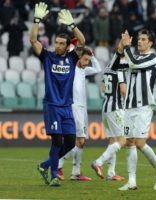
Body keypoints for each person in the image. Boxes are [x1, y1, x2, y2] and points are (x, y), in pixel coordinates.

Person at [30, 2, 85, 186]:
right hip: (52, 105)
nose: (58, 46)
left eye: (62, 43)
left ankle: (45, 165)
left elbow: (83, 42)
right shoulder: (48, 57)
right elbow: (33, 41)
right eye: (57, 43)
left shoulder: (72, 58)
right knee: (57, 141)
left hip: (66, 106)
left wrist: (72, 25)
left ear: (68, 46)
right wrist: (37, 20)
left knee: (70, 143)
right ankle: (54, 175)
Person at [111, 29, 156, 191]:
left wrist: (127, 47)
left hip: (144, 105)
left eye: (143, 39)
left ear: (150, 43)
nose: (140, 41)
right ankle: (132, 181)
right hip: (129, 104)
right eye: (139, 39)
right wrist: (121, 47)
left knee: (140, 143)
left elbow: (134, 63)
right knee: (130, 142)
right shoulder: (131, 56)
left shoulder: (152, 57)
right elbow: (116, 66)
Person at [57, 47, 101, 181]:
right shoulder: (71, 68)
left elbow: (98, 69)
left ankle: (75, 173)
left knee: (81, 142)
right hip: (74, 107)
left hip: (83, 109)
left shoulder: (83, 70)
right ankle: (58, 165)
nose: (87, 62)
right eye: (85, 59)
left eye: (89, 60)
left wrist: (92, 56)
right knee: (78, 140)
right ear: (79, 57)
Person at [91, 42, 127, 181]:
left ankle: (111, 173)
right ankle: (99, 162)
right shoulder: (120, 69)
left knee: (113, 141)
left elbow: (102, 88)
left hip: (106, 106)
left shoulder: (107, 69)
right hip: (116, 108)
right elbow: (123, 91)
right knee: (123, 139)